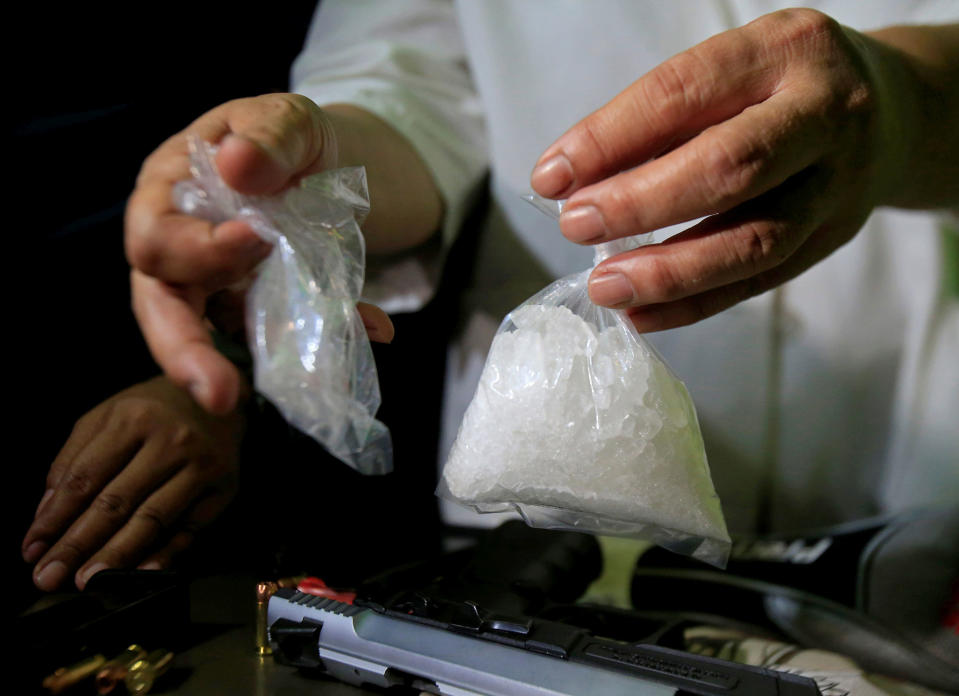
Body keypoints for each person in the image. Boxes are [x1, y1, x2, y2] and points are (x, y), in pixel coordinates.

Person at [25, 1, 959, 591]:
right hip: (546, 551)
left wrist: (908, 104)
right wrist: (289, 188)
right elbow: (399, 100)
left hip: (922, 521)